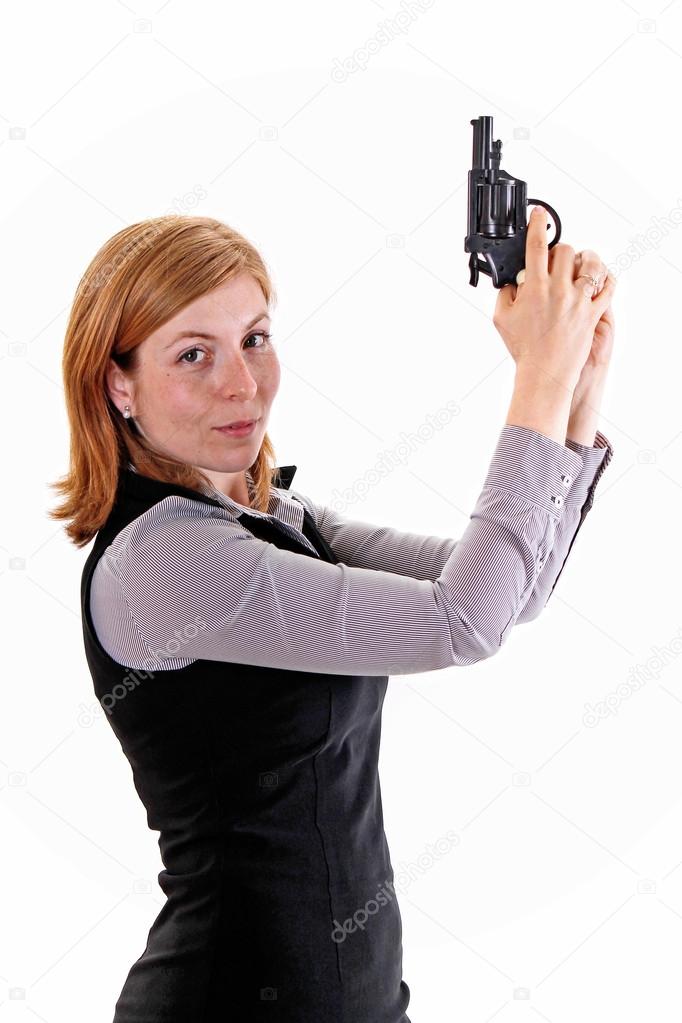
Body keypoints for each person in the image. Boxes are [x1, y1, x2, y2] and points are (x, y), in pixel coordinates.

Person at [49, 209, 616, 1022]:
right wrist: (537, 382)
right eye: (192, 354)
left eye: (253, 338)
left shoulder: (276, 516)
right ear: (118, 382)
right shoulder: (167, 561)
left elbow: (506, 591)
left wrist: (576, 389)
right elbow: (466, 622)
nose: (241, 383)